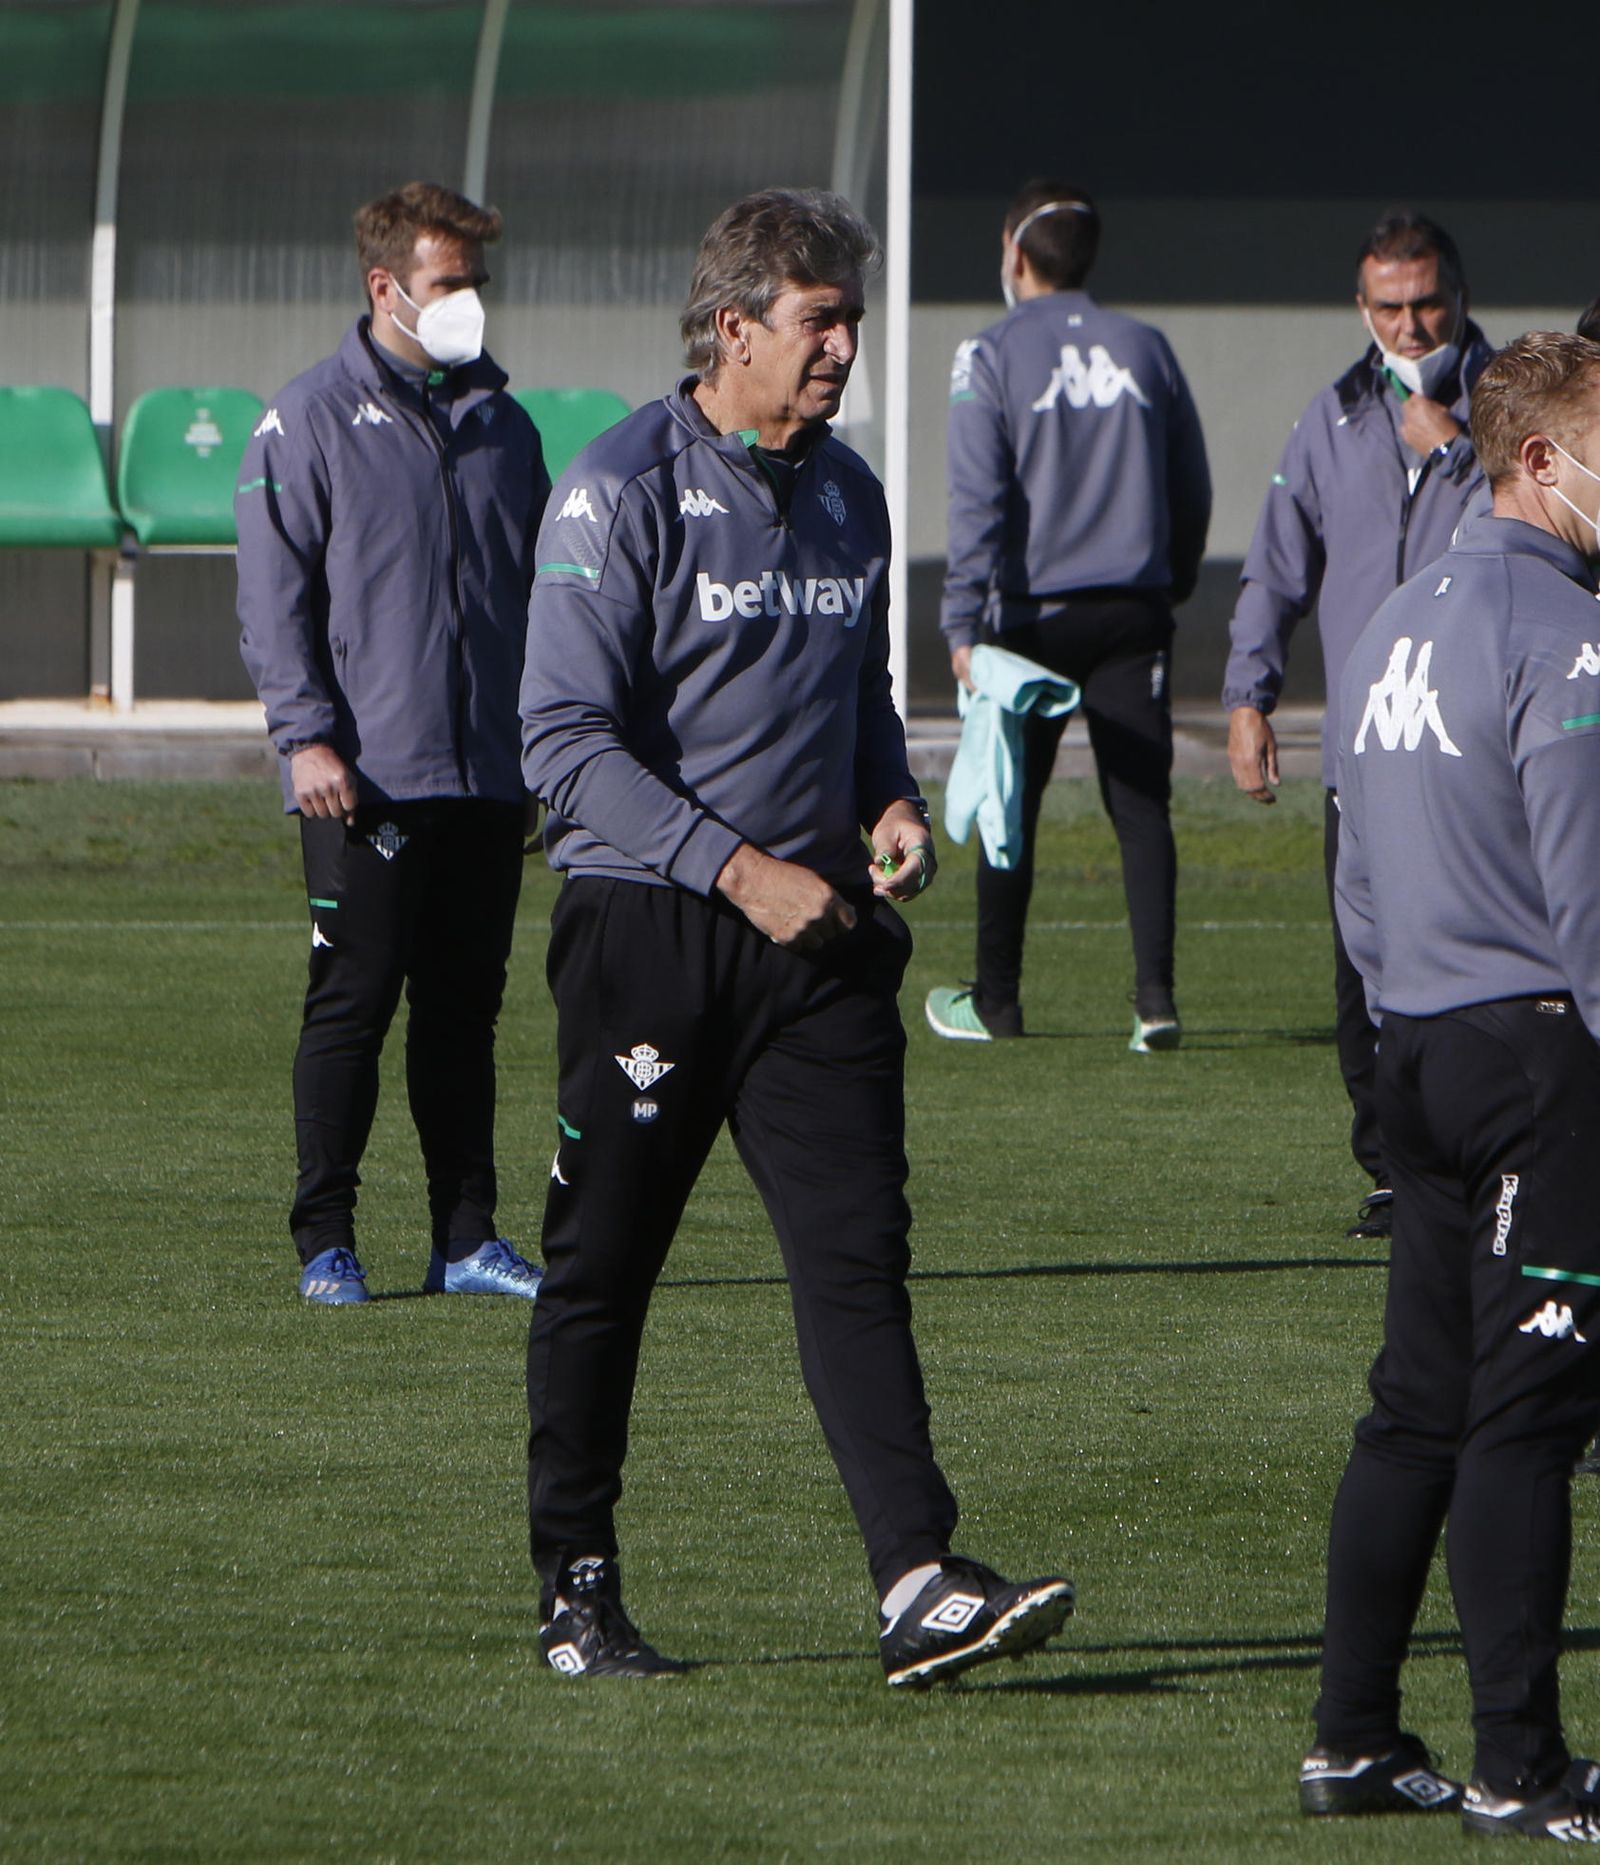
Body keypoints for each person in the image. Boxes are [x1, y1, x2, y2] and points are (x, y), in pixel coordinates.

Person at [518, 188, 1073, 1685]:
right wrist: (736, 866)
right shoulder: (618, 486)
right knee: (605, 1266)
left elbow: (855, 698)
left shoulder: (852, 491)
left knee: (854, 1261)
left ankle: (916, 1577)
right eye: (818, 321)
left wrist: (889, 801)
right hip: (652, 928)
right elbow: (562, 747)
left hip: (817, 943)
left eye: (851, 320)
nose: (842, 349)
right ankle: (577, 1584)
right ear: (733, 325)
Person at [1301, 331, 1600, 1840]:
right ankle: (1519, 1762)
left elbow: (1352, 878)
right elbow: (1588, 875)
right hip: (1536, 1056)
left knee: (1416, 1405)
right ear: (1537, 459)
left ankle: (1351, 1736)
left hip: (1416, 1044)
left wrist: (1397, 1016)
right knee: (1527, 1415)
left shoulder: (1391, 619)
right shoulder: (1559, 631)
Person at [236, 181, 549, 1305]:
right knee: (352, 1006)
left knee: (465, 1016)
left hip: (483, 775)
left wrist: (538, 757)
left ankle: (467, 1236)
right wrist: (304, 737)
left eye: (475, 281)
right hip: (361, 782)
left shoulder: (505, 425)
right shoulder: (306, 419)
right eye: (448, 282)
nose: (468, 302)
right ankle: (326, 1239)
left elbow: (537, 604)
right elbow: (273, 603)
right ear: (386, 288)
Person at [1223, 211, 1493, 1240]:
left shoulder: (1513, 396)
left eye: (1427, 301)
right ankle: (1392, 1165)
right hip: (1363, 749)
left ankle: (1495, 1154)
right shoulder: (1331, 414)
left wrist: (1462, 450)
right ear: (1359, 306)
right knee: (1361, 961)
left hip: (1478, 746)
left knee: (1480, 951)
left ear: (1459, 294)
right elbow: (1275, 565)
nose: (1411, 323)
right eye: (1389, 306)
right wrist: (1248, 695)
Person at [924, 179, 1211, 1054]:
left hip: (1030, 621)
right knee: (1141, 803)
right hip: (1134, 609)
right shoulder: (1146, 347)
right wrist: (1171, 583)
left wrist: (960, 621)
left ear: (1015, 252)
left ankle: (998, 1001)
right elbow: (1190, 484)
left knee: (1013, 801)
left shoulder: (990, 351)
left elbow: (978, 498)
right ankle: (1154, 1000)